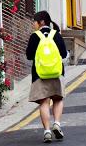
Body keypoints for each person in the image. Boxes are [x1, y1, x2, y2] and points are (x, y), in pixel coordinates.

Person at [26, 11, 68, 143]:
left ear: (41, 22)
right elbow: (64, 54)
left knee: (44, 102)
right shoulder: (56, 34)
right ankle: (57, 123)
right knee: (58, 99)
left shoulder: (35, 36)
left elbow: (29, 55)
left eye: (34, 21)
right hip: (56, 72)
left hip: (39, 74)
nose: (33, 24)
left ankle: (47, 131)